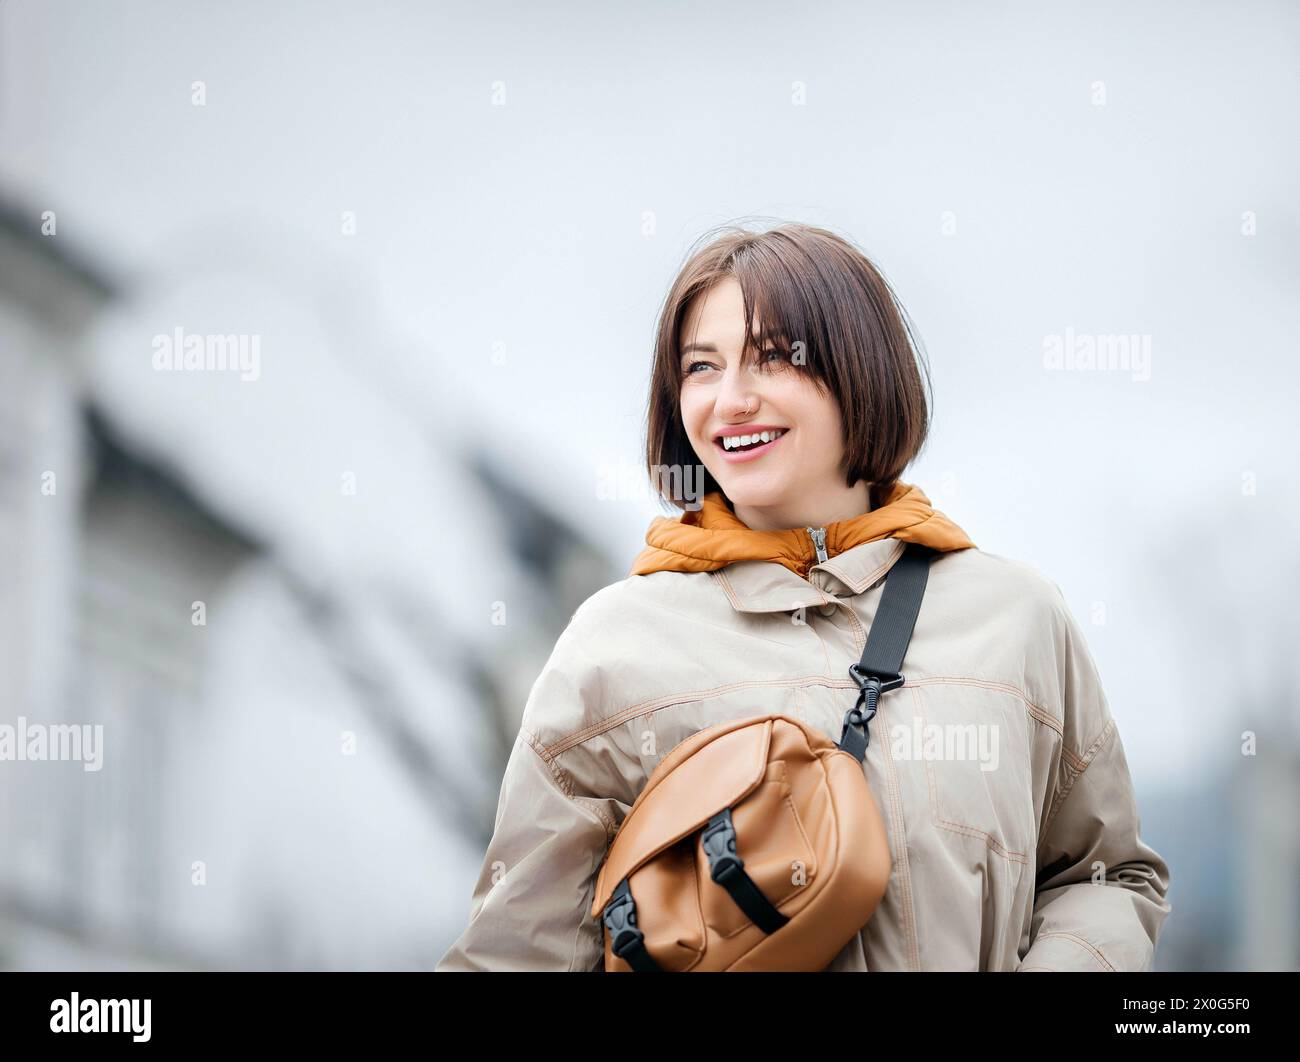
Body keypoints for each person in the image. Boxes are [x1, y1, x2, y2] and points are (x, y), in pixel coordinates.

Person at [436, 221, 1172, 972]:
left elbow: (1105, 877)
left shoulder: (1016, 618)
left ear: (860, 368)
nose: (731, 401)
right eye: (701, 367)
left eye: (771, 358)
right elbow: (514, 956)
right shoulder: (615, 646)